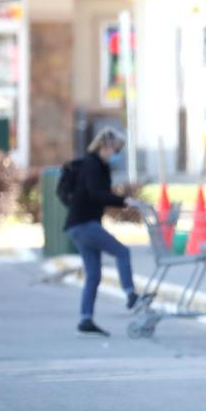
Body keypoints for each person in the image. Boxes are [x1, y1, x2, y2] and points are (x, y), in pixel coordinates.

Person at [64, 128, 140, 337]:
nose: (117, 153)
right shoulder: (92, 165)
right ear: (105, 147)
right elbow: (96, 193)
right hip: (85, 224)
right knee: (122, 252)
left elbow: (96, 194)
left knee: (94, 275)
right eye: (116, 149)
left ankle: (85, 318)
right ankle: (130, 294)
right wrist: (123, 201)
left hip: (78, 225)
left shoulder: (97, 165)